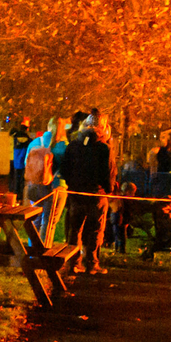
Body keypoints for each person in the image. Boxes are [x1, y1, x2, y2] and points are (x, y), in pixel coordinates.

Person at [57, 112, 114, 274]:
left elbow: (64, 170)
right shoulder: (104, 148)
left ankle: (73, 262)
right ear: (102, 128)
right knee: (95, 230)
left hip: (76, 195)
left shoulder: (73, 145)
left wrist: (73, 185)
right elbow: (108, 172)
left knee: (75, 230)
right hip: (96, 195)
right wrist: (108, 190)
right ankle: (92, 263)